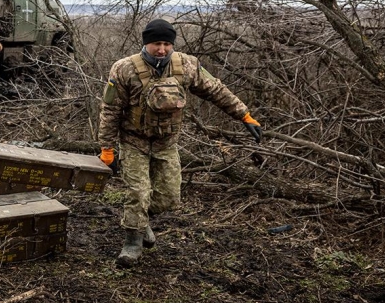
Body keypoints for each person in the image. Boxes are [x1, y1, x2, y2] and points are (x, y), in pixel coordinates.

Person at [97, 19, 262, 268]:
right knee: (138, 193)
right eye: (156, 44)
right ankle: (132, 243)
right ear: (146, 43)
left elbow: (215, 90)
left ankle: (142, 221)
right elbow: (110, 110)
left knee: (169, 197)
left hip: (166, 142)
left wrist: (244, 115)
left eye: (166, 44)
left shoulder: (186, 65)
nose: (161, 49)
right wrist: (107, 149)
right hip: (133, 141)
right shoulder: (124, 69)